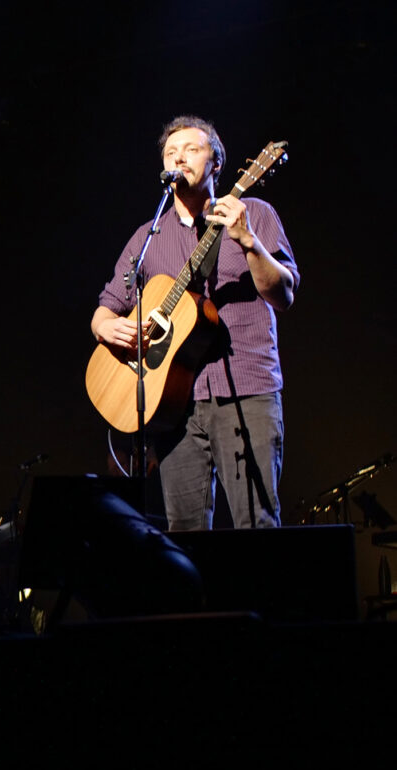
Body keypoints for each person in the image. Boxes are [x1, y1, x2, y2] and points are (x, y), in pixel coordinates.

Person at [91, 115, 300, 530]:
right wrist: (104, 327)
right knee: (184, 536)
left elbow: (284, 293)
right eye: (171, 152)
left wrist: (249, 242)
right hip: (173, 407)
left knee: (255, 525)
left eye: (192, 149)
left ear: (217, 163)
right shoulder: (148, 236)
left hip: (247, 391)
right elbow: (107, 304)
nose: (180, 157)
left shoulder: (254, 212)